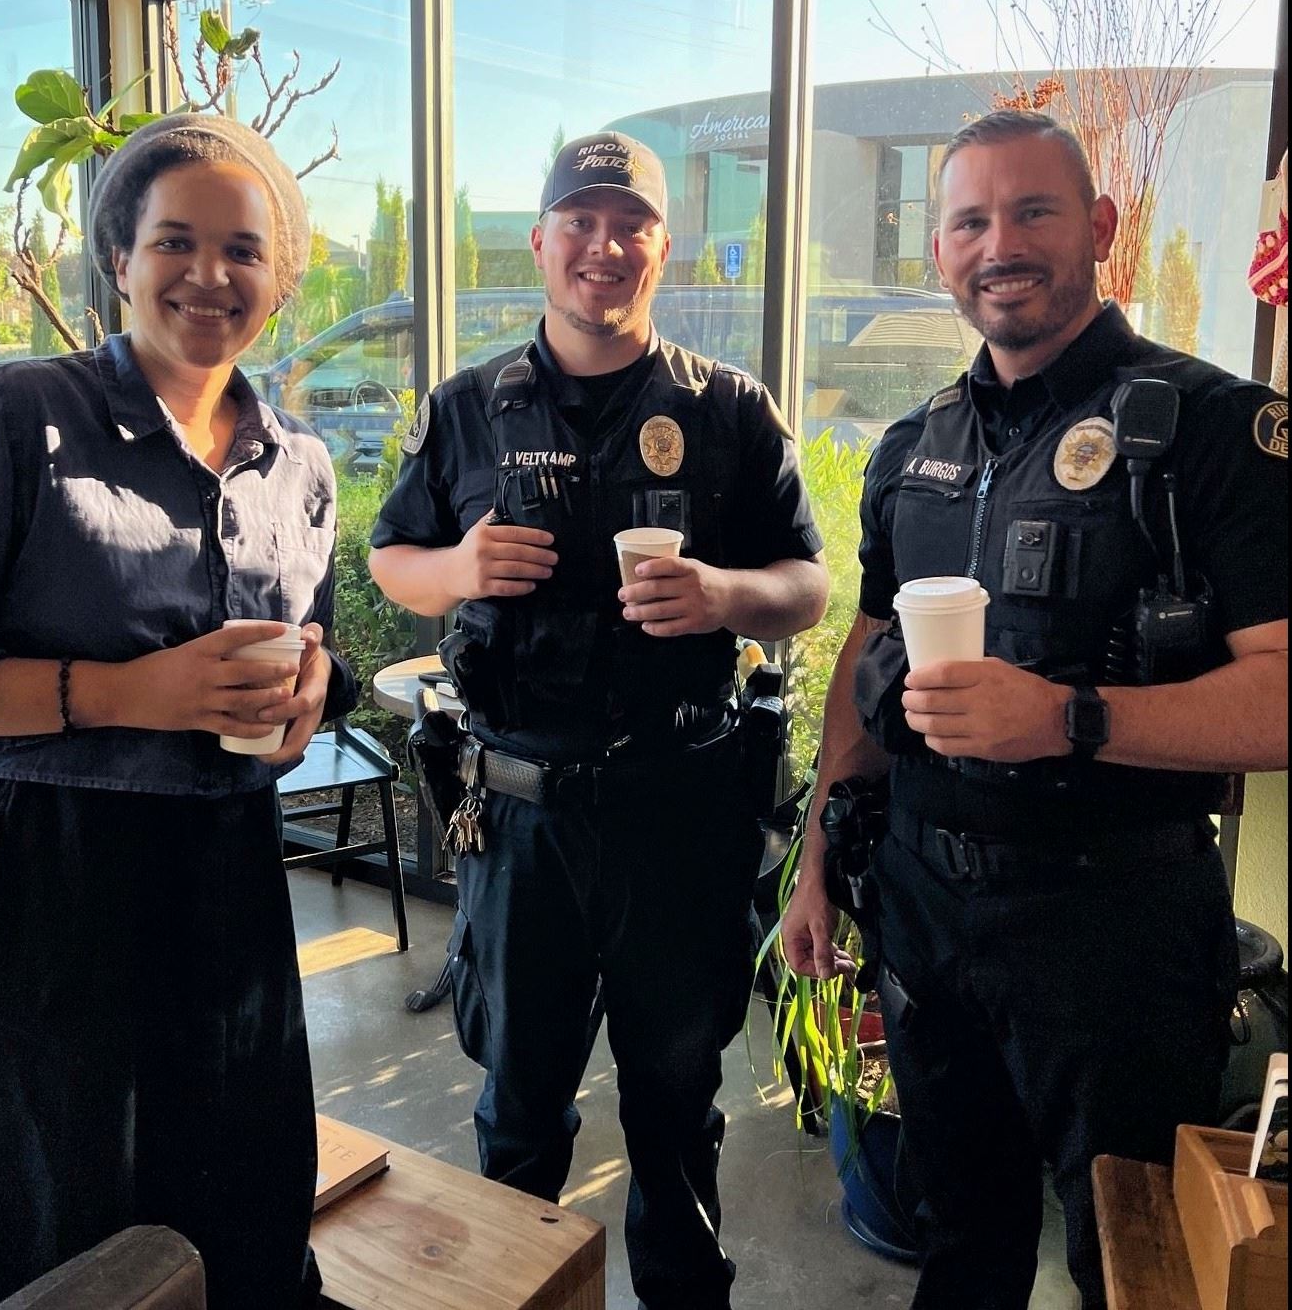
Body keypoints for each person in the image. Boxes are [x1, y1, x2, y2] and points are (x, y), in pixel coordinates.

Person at [0, 114, 355, 1310]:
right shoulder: (18, 416)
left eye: (243, 249)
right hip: (24, 888)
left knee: (227, 1201)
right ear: (119, 257)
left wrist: (318, 684)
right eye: (176, 240)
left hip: (221, 883)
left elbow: (312, 641)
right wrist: (128, 692)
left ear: (279, 276)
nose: (209, 275)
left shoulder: (300, 465)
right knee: (25, 1222)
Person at [781, 110, 1289, 1310]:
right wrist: (814, 853)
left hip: (1114, 926)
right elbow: (868, 650)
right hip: (921, 900)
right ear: (940, 251)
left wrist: (1071, 719)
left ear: (1101, 229)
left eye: (1033, 211)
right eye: (969, 220)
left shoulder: (1216, 430)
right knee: (958, 1232)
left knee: (1140, 1254)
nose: (999, 243)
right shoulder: (914, 446)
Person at [368, 130, 829, 1310]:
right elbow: (390, 563)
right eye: (580, 219)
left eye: (631, 224)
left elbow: (811, 586)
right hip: (521, 812)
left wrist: (726, 594)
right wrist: (459, 565)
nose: (604, 245)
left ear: (662, 248)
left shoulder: (728, 411)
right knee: (518, 1104)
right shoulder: (467, 409)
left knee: (676, 1101)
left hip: (679, 807)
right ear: (540, 240)